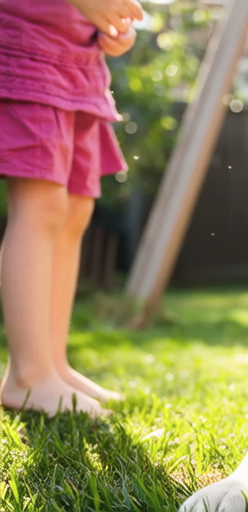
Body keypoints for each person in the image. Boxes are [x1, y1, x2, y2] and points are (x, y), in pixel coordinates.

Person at [0, 0, 143, 417]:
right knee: (42, 206)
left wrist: (111, 28)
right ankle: (27, 375)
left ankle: (52, 364)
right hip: (28, 46)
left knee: (76, 208)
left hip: (79, 58)